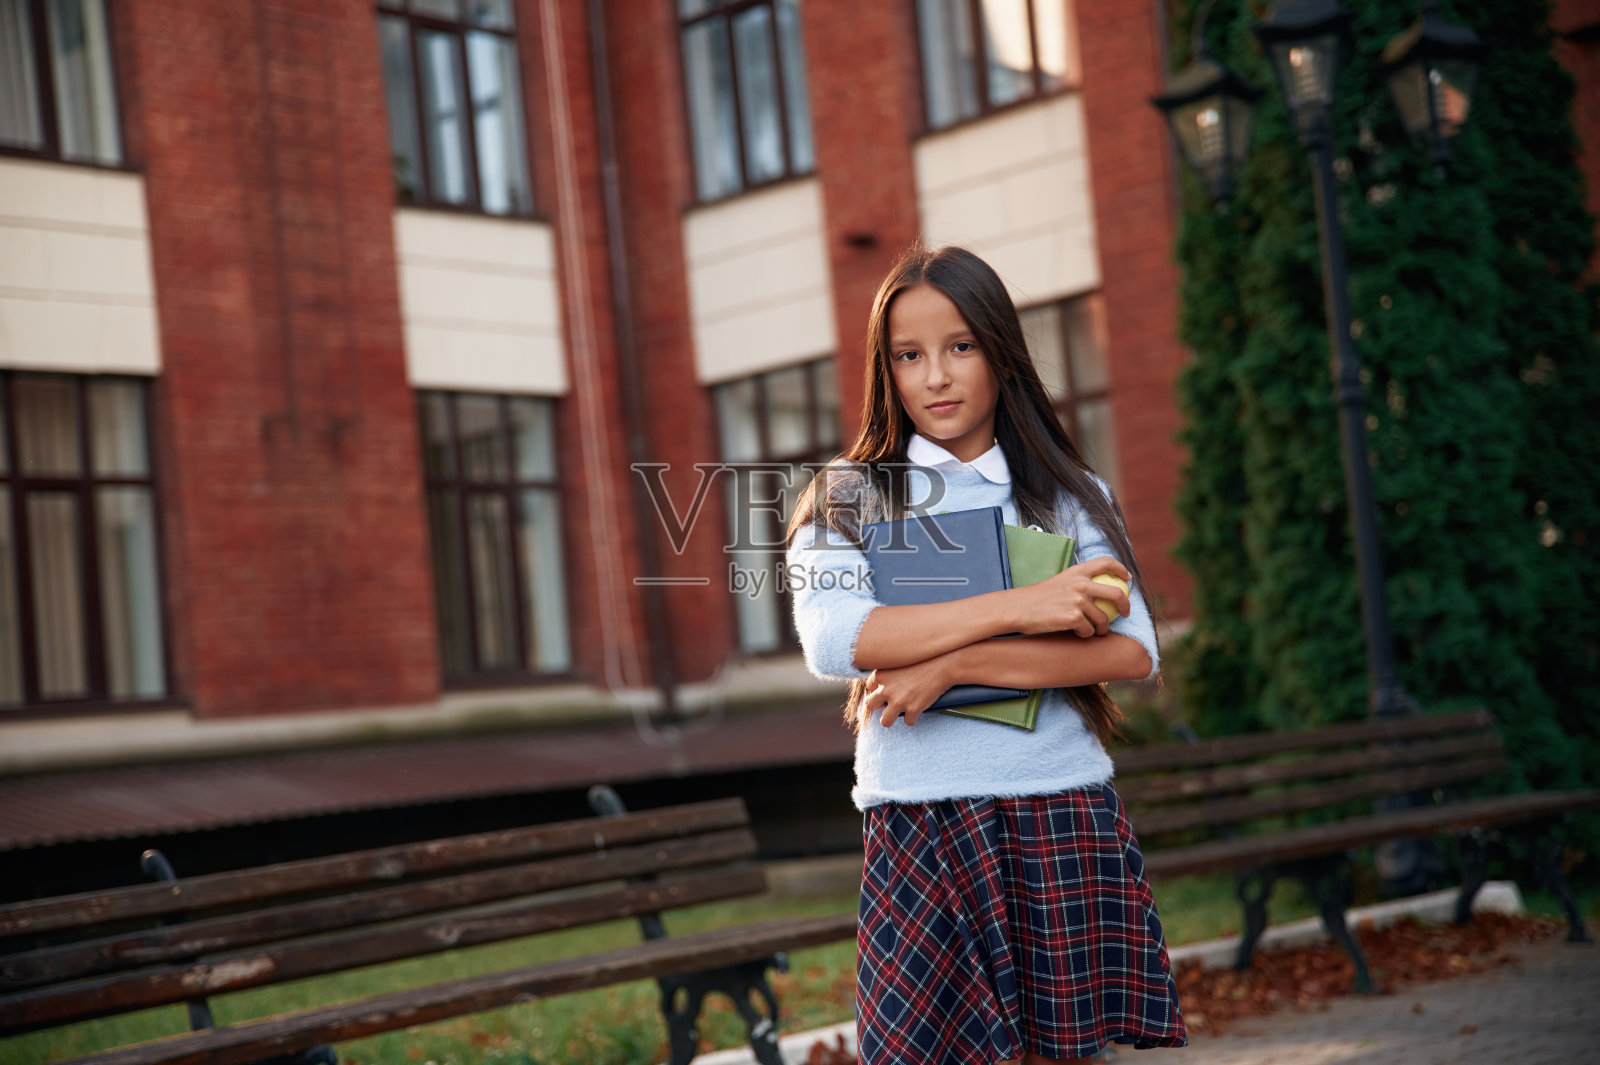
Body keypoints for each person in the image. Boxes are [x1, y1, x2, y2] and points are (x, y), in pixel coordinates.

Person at [785, 245, 1187, 1065]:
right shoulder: (850, 493)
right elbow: (839, 639)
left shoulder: (1070, 492)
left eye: (960, 346)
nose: (935, 375)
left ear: (1002, 353)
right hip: (920, 818)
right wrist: (1027, 607)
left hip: (1057, 806)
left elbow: (1132, 649)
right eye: (909, 354)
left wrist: (953, 663)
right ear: (884, 369)